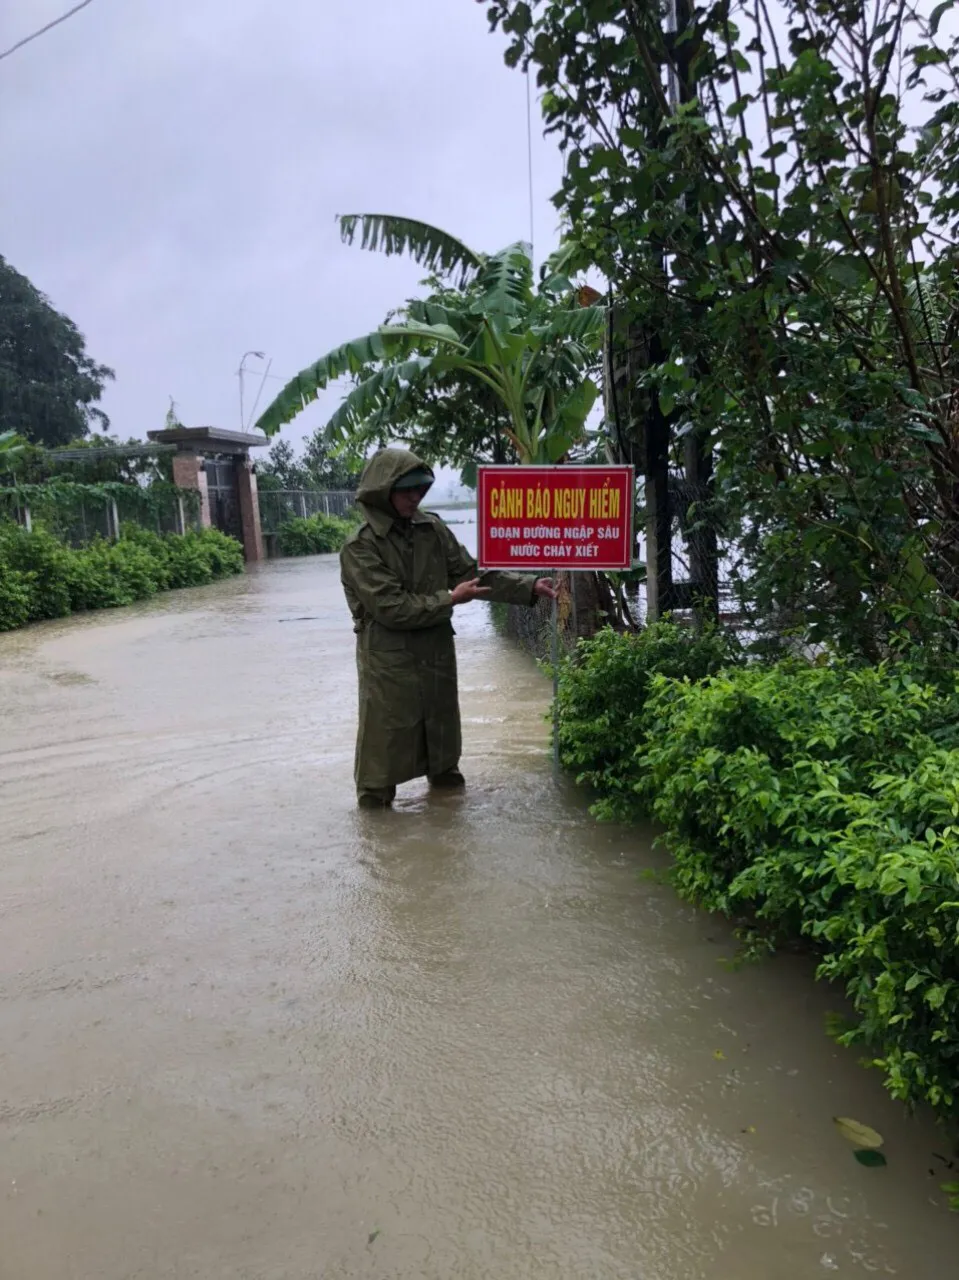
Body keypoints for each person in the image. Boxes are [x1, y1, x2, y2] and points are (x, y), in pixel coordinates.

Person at [340, 447, 558, 809]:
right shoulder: (359, 548)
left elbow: (471, 575)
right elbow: (390, 608)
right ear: (383, 492)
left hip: (436, 650)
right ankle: (377, 839)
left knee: (443, 743)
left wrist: (528, 585)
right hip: (388, 661)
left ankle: (447, 822)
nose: (415, 498)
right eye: (407, 490)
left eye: (420, 490)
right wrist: (449, 600)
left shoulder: (432, 529)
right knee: (384, 749)